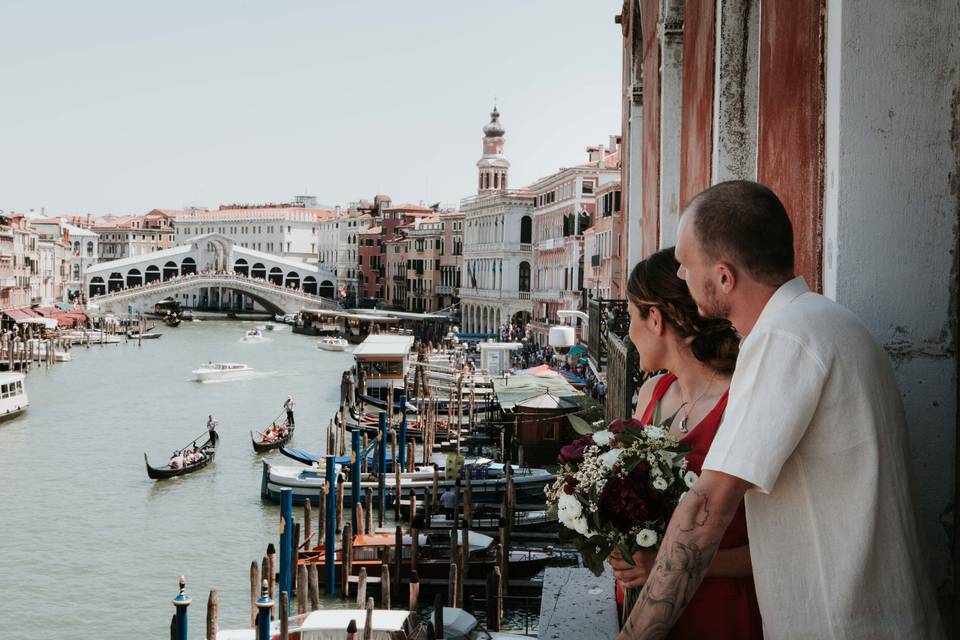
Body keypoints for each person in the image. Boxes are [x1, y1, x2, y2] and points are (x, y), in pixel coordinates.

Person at [619, 181, 944, 639]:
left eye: (687, 266)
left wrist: (633, 636)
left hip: (838, 624)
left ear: (724, 276)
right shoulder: (828, 321)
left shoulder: (783, 338)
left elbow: (706, 507)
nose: (682, 276)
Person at [609, 248, 761, 639]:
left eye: (630, 317)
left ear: (655, 319)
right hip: (636, 603)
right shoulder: (651, 393)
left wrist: (663, 561)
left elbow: (773, 549)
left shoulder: (738, 405)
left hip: (715, 612)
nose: (627, 332)